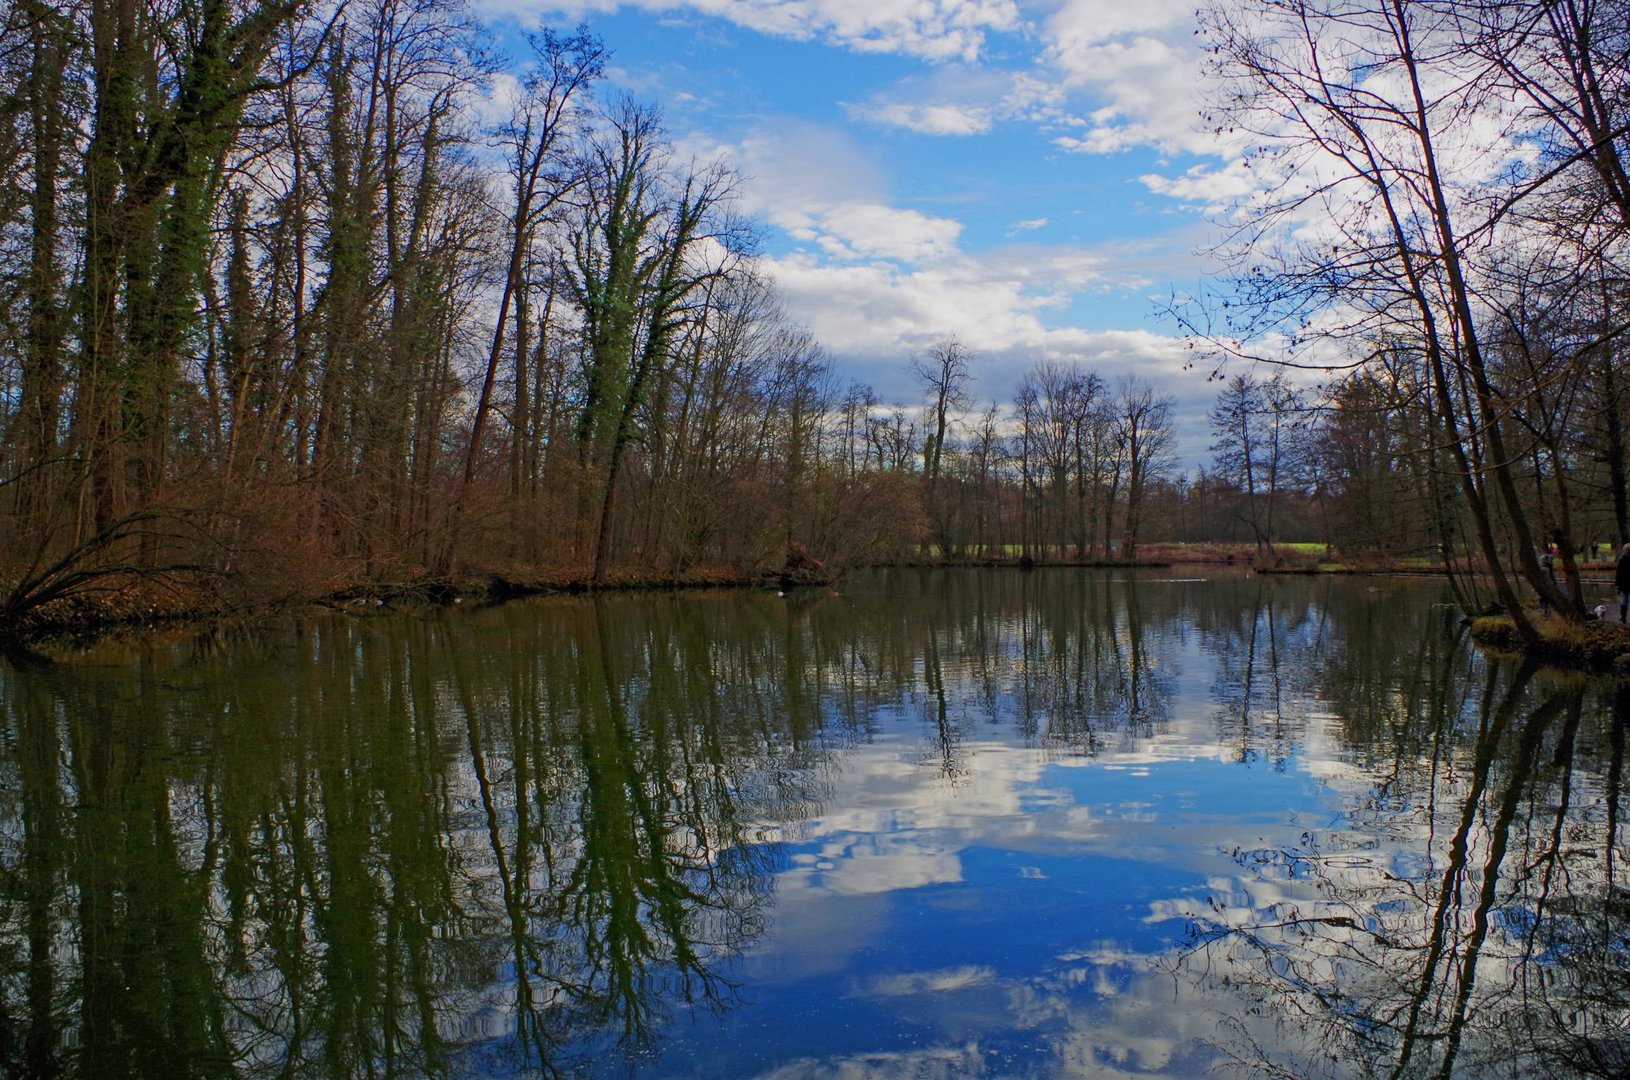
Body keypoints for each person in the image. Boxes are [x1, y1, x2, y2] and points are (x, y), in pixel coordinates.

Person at [1616, 543, 1630, 624]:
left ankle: (1623, 617)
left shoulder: (1622, 559)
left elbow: (1619, 573)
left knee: (1624, 600)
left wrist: (1617, 583)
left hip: (1624, 583)